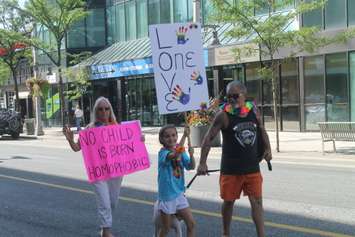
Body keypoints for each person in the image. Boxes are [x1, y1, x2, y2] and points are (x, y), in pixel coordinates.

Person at [197, 80, 272, 237]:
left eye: (235, 96)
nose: (231, 99)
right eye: (228, 96)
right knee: (229, 202)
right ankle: (226, 233)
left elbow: (262, 130)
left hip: (252, 167)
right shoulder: (223, 115)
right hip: (231, 169)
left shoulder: (254, 111)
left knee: (257, 201)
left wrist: (268, 149)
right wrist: (202, 162)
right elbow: (208, 138)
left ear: (244, 95)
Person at [63, 97, 134, 237]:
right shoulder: (90, 128)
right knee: (104, 203)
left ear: (110, 110)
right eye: (100, 109)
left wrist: (138, 139)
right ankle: (106, 231)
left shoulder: (116, 127)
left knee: (112, 203)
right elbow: (77, 148)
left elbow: (128, 146)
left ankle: (104, 230)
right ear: (96, 111)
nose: (104, 112)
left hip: (115, 172)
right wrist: (70, 139)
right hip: (98, 173)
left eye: (106, 108)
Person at [157, 125, 196, 237]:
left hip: (179, 194)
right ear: (162, 139)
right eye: (167, 136)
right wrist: (184, 135)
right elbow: (174, 154)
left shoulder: (181, 150)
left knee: (191, 224)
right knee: (166, 228)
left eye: (174, 135)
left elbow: (191, 166)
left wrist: (192, 155)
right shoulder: (162, 153)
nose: (171, 138)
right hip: (167, 196)